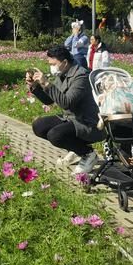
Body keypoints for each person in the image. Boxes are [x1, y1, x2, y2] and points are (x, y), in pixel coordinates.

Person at [27, 46, 104, 175]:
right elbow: (50, 100)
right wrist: (35, 87)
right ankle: (75, 149)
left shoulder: (81, 76)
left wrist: (46, 83)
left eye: (53, 64)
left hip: (88, 123)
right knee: (39, 126)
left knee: (55, 135)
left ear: (64, 62)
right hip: (70, 119)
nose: (52, 67)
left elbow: (66, 103)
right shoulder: (63, 74)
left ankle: (88, 154)